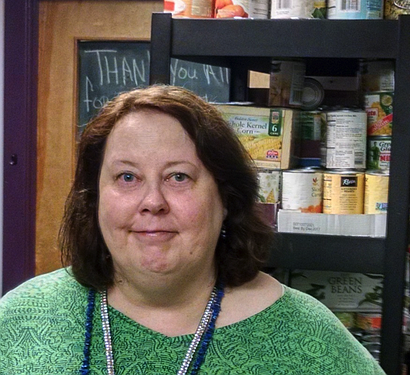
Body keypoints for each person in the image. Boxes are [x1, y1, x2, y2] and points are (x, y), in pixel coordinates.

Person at [0, 85, 385, 374]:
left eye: (179, 176)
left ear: (227, 199)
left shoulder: (308, 338)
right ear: (94, 198)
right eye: (127, 176)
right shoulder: (19, 319)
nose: (152, 201)